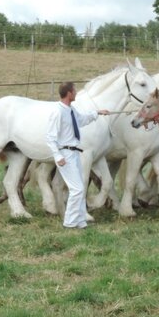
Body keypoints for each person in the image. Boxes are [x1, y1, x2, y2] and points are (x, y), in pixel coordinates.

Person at [46, 82, 109, 229]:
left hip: (75, 153)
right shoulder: (58, 112)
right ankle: (69, 222)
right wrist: (57, 156)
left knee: (80, 187)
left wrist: (98, 113)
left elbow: (82, 120)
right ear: (69, 93)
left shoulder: (71, 110)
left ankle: (80, 221)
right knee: (76, 189)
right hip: (65, 154)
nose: (76, 93)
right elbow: (50, 137)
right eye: (74, 91)